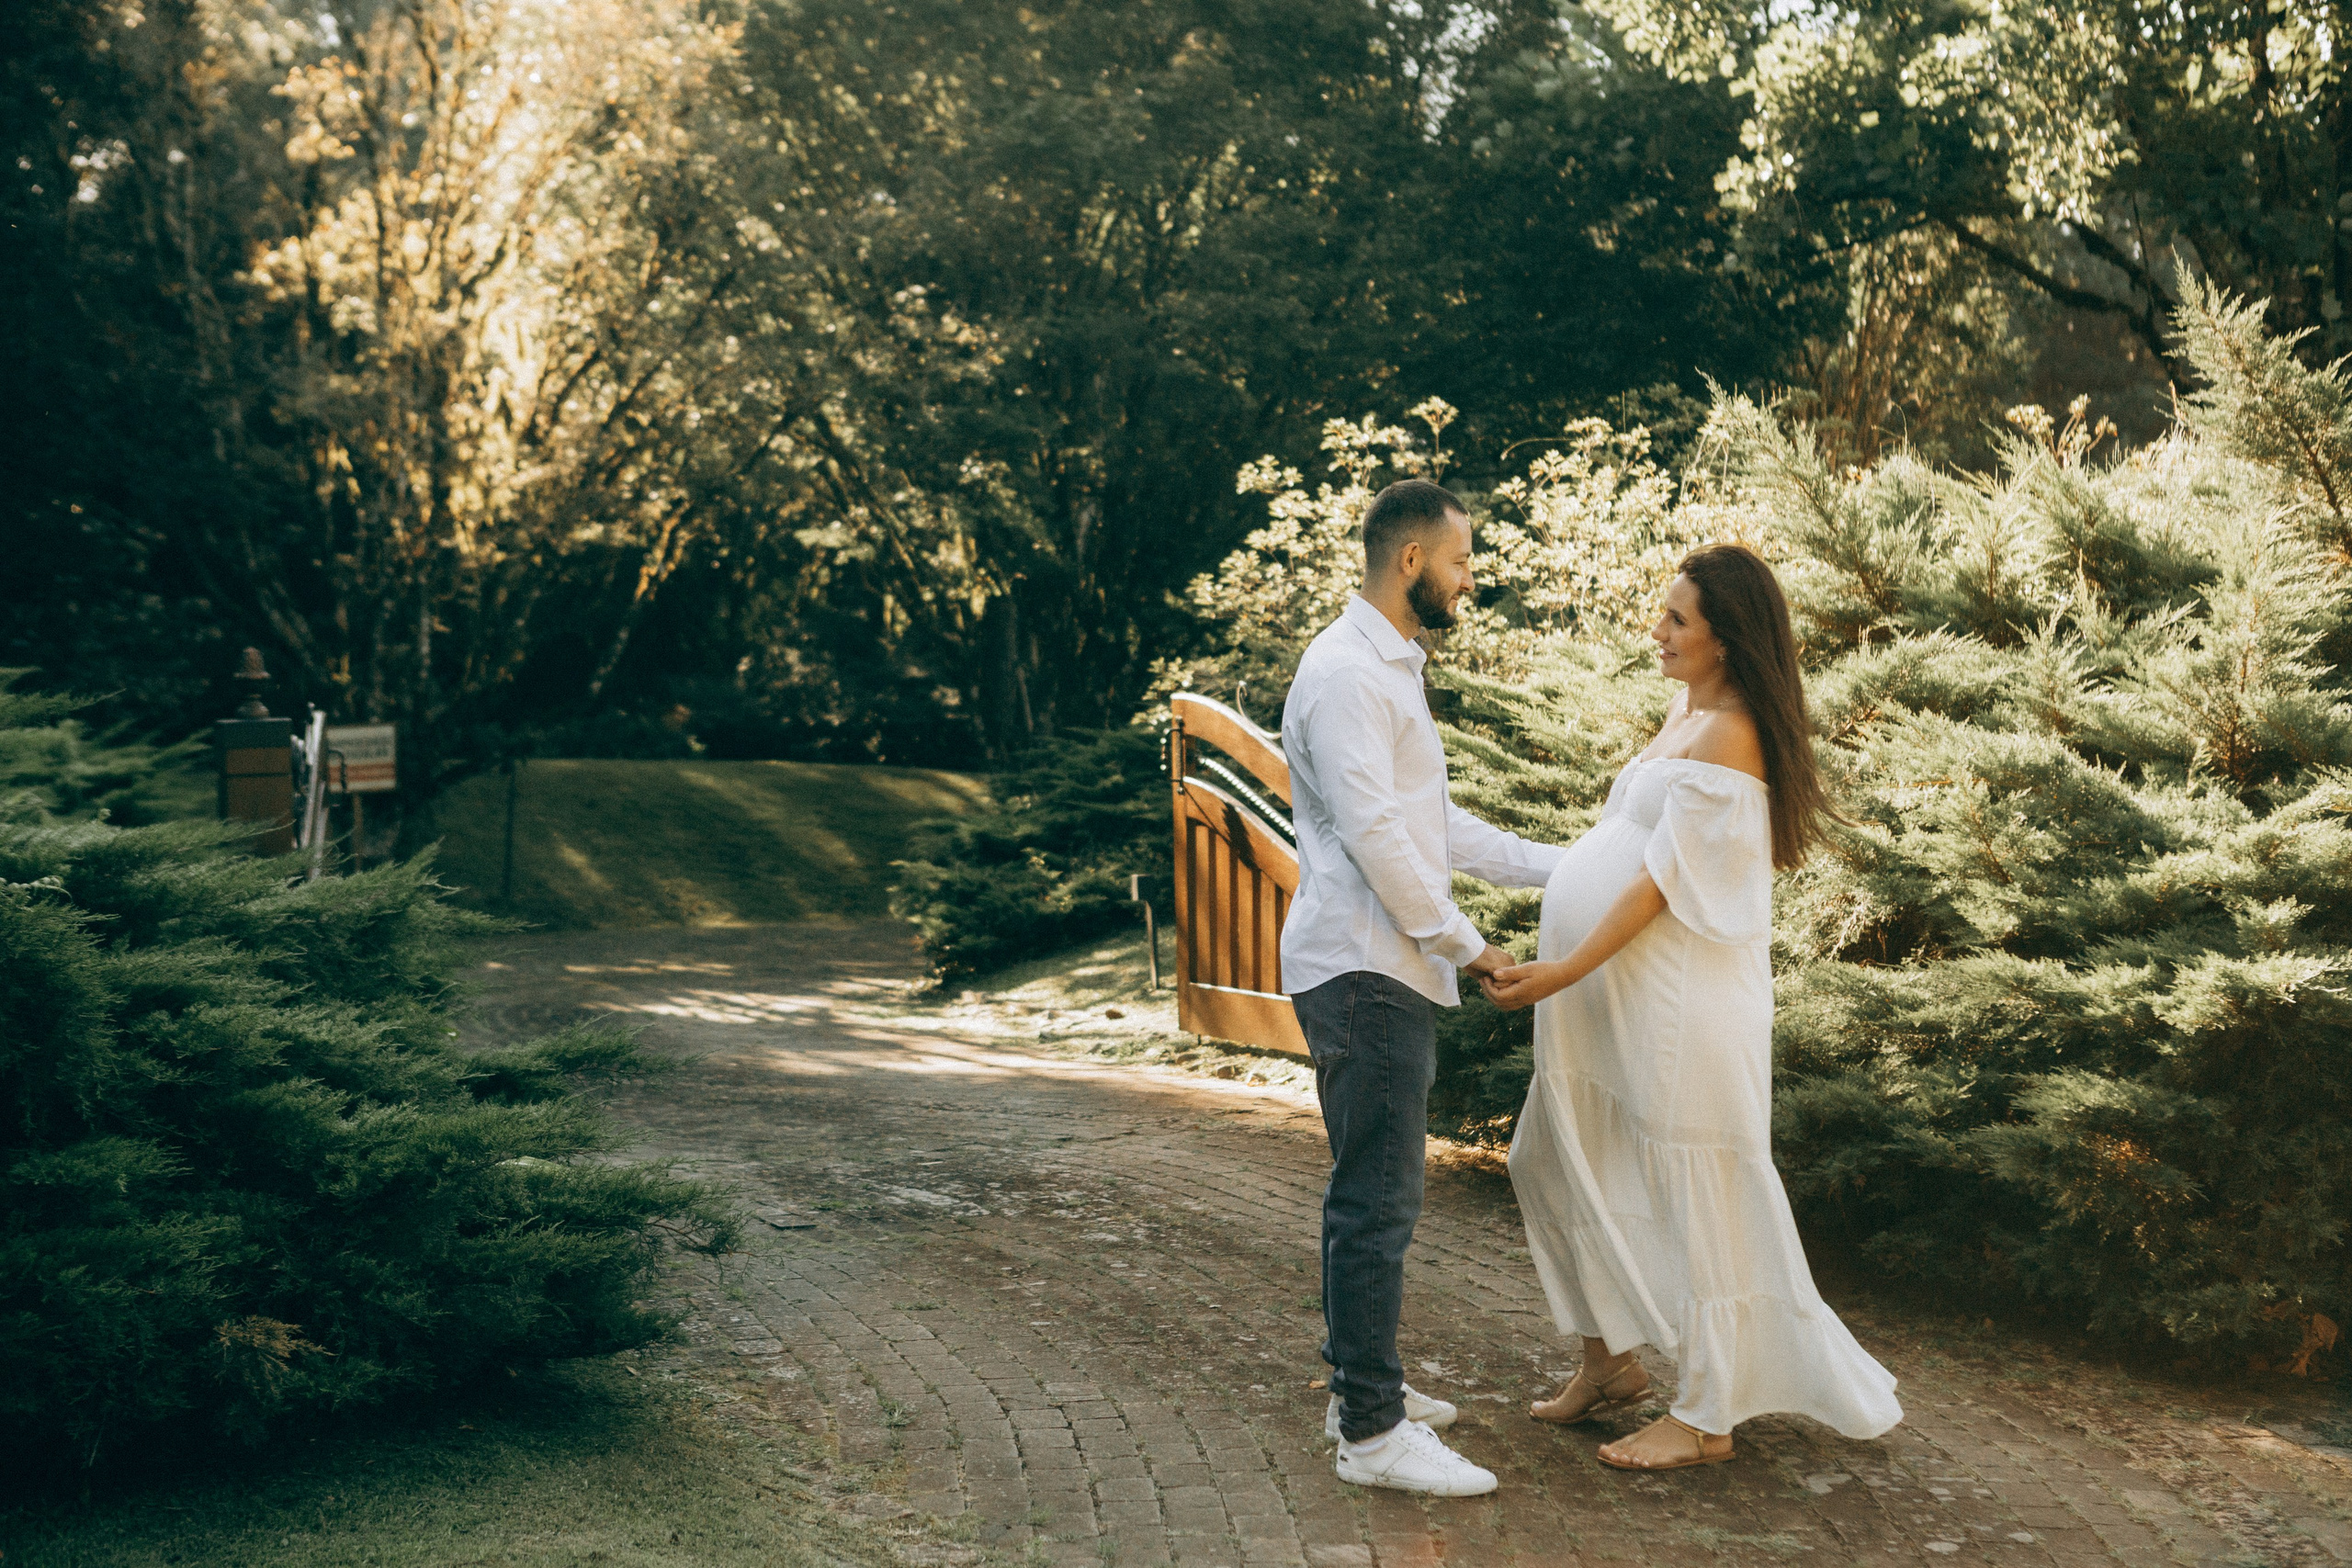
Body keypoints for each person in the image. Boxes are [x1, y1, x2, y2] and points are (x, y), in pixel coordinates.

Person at [1481, 544, 1902, 1472]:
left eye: (1677, 619)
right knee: (1552, 1154)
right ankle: (1610, 1364)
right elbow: (1619, 851)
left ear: (1727, 637)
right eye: (1662, 613)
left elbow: (1661, 885)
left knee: (1697, 1187)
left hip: (1677, 1008)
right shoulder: (1688, 711)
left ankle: (1707, 1415)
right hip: (1609, 1001)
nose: (1657, 632)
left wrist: (1561, 968)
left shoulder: (1736, 731)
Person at [1281, 478, 1565, 1497]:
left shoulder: (1386, 667)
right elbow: (1377, 841)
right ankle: (1369, 1432)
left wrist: (1563, 864)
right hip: (1365, 965)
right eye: (1462, 561)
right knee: (1376, 1202)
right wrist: (1471, 948)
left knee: (1372, 1196)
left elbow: (1433, 829)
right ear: (1411, 561)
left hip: (1380, 964)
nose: (1470, 579)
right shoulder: (1348, 673)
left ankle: (1362, 1388)